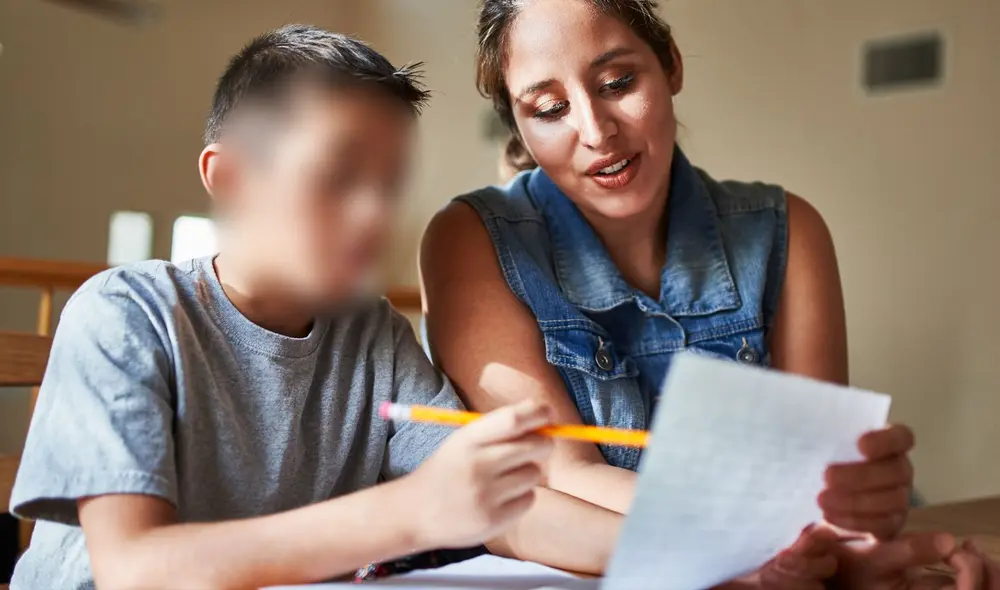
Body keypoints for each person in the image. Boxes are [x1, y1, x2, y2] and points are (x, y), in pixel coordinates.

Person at [420, 0, 1000, 587]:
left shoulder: (788, 230)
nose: (596, 132)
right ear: (519, 123)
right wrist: (763, 546)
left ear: (670, 64)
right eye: (550, 109)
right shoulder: (471, 240)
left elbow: (819, 485)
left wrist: (858, 519)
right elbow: (561, 474)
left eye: (618, 82)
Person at [8, 25, 555, 590]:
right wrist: (408, 512)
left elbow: (511, 510)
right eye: (339, 176)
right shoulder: (124, 314)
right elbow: (135, 568)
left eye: (389, 186)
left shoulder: (375, 336)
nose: (374, 214)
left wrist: (647, 541)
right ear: (233, 181)